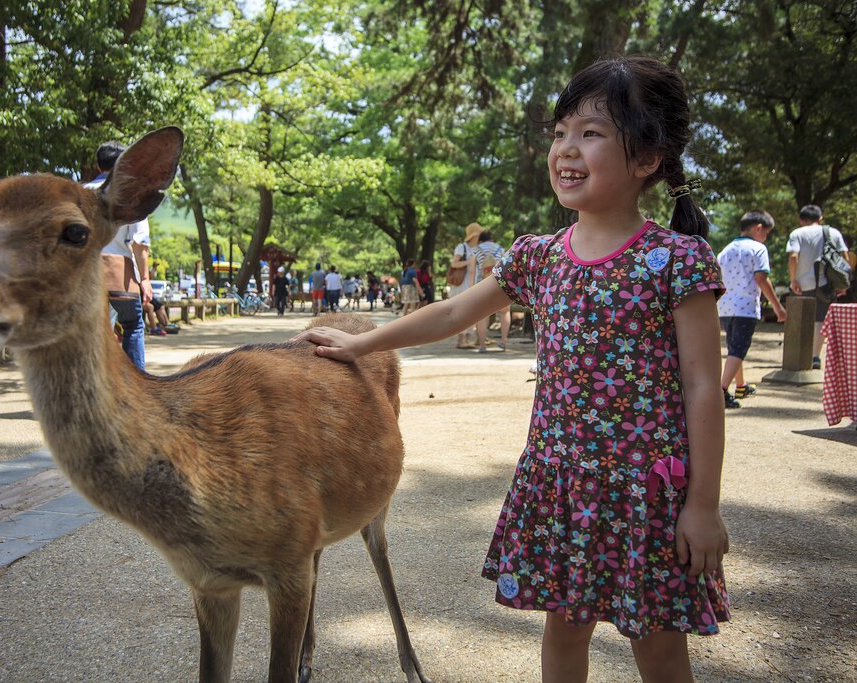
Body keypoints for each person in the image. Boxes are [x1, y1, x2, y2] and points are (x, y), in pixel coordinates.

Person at [296, 56, 730, 682]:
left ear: (647, 158)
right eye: (560, 133)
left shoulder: (677, 261)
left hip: (648, 494)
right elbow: (450, 314)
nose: (566, 149)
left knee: (659, 645)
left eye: (591, 133)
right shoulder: (538, 257)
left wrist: (703, 504)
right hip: (563, 484)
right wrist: (362, 344)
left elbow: (702, 387)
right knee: (563, 628)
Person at [85, 141, 152, 371]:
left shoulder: (79, 194)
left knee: (89, 331)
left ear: (98, 164)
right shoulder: (129, 195)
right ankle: (137, 385)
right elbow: (140, 242)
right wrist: (144, 279)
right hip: (119, 274)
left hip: (85, 274)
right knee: (132, 325)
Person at [716, 211, 788, 408]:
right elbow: (761, 278)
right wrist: (777, 306)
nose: (766, 237)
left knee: (734, 348)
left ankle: (741, 386)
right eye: (766, 233)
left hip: (724, 306)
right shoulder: (758, 248)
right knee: (739, 348)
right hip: (745, 306)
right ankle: (721, 390)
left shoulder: (726, 250)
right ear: (758, 228)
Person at [786, 205, 851, 369]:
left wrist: (793, 280)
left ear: (801, 220)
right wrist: (843, 282)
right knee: (820, 320)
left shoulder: (797, 233)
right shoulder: (833, 233)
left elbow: (793, 256)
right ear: (820, 219)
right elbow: (845, 258)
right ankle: (815, 356)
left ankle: (799, 355)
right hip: (826, 284)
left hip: (802, 284)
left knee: (801, 318)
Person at [472, 230, 509, 353]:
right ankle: (503, 342)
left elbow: (472, 270)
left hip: (482, 285)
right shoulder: (500, 248)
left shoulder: (476, 250)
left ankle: (482, 345)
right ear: (491, 239)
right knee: (504, 312)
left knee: (482, 315)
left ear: (481, 240)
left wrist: (472, 288)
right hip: (499, 284)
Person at [451, 222, 483, 348]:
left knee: (472, 313)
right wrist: (468, 262)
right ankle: (461, 340)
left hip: (473, 284)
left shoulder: (478, 249)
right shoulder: (461, 247)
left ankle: (467, 340)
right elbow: (454, 264)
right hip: (462, 285)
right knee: (462, 312)